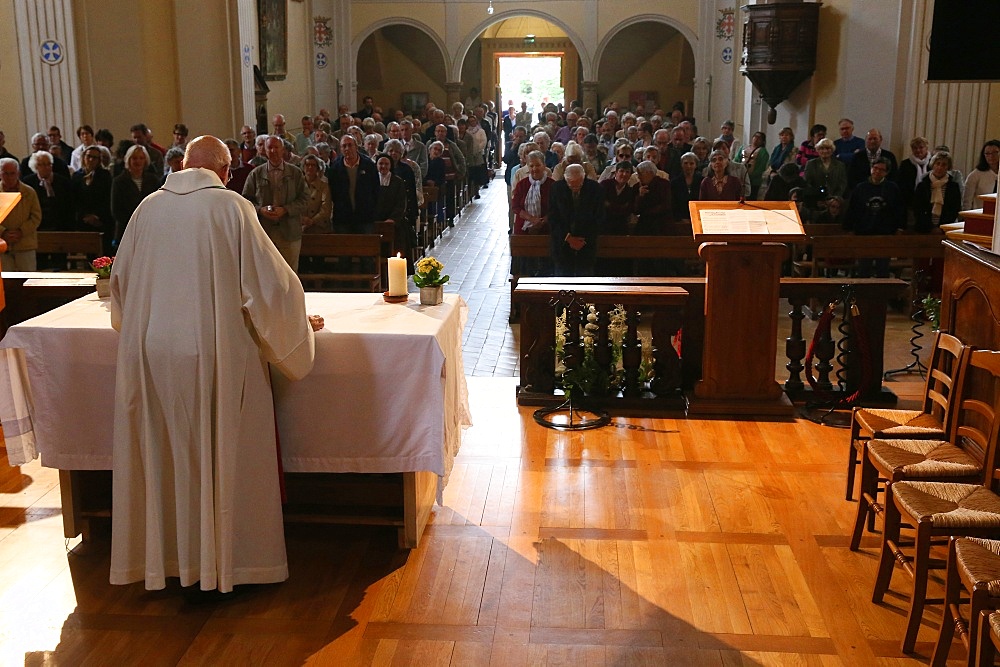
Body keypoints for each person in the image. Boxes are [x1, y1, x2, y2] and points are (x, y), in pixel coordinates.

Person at [109, 135, 322, 595]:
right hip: (219, 354)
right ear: (225, 171)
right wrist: (298, 331)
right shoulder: (232, 209)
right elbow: (273, 291)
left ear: (184, 165)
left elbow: (119, 286)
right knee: (223, 452)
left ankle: (169, 561)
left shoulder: (146, 209)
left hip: (154, 353)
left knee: (168, 455)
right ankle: (231, 564)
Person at [242, 135, 309, 270]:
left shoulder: (295, 173)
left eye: (276, 147)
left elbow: (305, 199)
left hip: (289, 232)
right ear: (264, 150)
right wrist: (260, 210)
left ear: (283, 149)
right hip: (264, 232)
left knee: (290, 275)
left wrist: (285, 209)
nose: (273, 151)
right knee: (266, 273)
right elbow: (245, 201)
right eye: (270, 147)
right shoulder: (256, 174)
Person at [845, 158, 904, 277]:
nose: (877, 172)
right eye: (875, 168)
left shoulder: (892, 188)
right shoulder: (860, 188)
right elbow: (853, 209)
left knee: (883, 268)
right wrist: (850, 229)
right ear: (871, 169)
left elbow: (899, 209)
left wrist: (900, 227)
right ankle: (863, 293)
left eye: (881, 170)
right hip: (864, 232)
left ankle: (881, 294)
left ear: (886, 172)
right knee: (863, 268)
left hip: (884, 234)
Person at [548, 163, 605, 276]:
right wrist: (568, 238)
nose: (575, 188)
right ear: (565, 179)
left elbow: (599, 217)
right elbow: (553, 217)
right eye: (571, 185)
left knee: (585, 281)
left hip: (586, 243)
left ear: (583, 178)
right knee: (562, 282)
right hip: (562, 243)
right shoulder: (556, 188)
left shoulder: (595, 189)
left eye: (579, 185)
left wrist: (583, 239)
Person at [326, 134, 379, 234]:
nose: (347, 148)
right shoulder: (335, 168)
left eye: (350, 145)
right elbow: (333, 193)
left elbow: (375, 190)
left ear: (356, 147)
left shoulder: (368, 165)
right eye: (344, 146)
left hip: (365, 217)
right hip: (343, 219)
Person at [111, 144, 161, 242]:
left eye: (141, 158)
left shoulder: (153, 180)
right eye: (134, 158)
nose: (138, 161)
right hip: (126, 231)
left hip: (149, 230)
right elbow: (116, 210)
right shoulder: (119, 182)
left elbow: (159, 203)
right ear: (128, 160)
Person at [0, 157, 42, 271]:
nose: (9, 177)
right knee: (6, 283)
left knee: (27, 282)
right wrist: (3, 232)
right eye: (5, 173)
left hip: (25, 245)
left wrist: (21, 231)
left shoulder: (29, 192)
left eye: (12, 173)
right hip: (2, 245)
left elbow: (36, 217)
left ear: (18, 173)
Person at [72, 145, 115, 253]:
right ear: (83, 157)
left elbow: (107, 199)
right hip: (83, 221)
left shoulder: (105, 176)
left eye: (95, 157)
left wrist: (96, 216)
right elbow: (74, 199)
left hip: (101, 221)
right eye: (88, 156)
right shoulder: (77, 176)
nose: (91, 159)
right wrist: (85, 216)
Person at [913, 151, 962, 232]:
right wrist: (930, 228)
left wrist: (941, 228)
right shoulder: (922, 185)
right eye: (938, 164)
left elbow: (954, 209)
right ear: (933, 165)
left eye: (944, 165)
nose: (940, 167)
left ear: (948, 167)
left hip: (945, 229)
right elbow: (918, 208)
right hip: (924, 229)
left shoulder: (953, 186)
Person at [802, 137, 847, 203]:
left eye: (827, 148)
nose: (825, 151)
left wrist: (834, 198)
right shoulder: (811, 164)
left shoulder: (840, 165)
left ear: (832, 150)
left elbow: (842, 184)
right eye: (822, 148)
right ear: (817, 150)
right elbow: (807, 182)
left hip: (834, 202)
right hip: (815, 200)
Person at [963, 139, 999, 211]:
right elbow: (967, 201)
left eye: (995, 152)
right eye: (987, 153)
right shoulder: (975, 175)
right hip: (982, 213)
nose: (991, 156)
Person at [671, 152, 703, 221]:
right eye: (685, 163)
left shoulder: (702, 181)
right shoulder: (674, 182)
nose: (688, 166)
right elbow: (673, 203)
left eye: (691, 163)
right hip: (680, 219)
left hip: (698, 217)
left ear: (696, 165)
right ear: (681, 165)